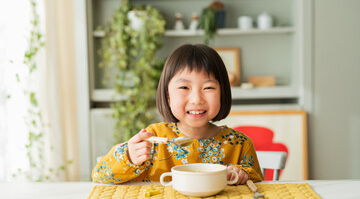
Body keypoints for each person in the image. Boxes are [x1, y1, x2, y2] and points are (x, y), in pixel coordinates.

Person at [92, 44, 263, 184]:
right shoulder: (153, 139)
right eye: (184, 88)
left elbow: (259, 184)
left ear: (222, 93)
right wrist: (129, 156)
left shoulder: (240, 144)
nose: (196, 99)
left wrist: (242, 174)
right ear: (167, 95)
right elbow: (100, 175)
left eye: (208, 88)